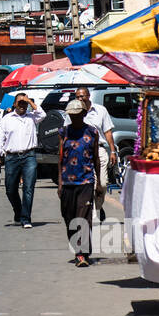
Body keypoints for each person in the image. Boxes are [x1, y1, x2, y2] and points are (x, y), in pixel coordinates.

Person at [0, 93, 48, 227]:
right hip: (12, 157)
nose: (22, 105)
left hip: (29, 156)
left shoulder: (32, 118)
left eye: (24, 103)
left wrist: (29, 101)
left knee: (28, 188)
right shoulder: (7, 119)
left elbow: (43, 115)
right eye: (20, 102)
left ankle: (26, 218)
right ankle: (18, 211)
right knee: (10, 189)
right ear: (14, 104)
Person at [58, 99, 101, 267]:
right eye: (71, 116)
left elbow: (96, 158)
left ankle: (81, 254)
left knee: (83, 218)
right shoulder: (63, 132)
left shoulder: (92, 132)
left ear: (84, 114)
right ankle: (78, 248)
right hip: (68, 182)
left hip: (86, 181)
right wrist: (60, 184)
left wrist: (98, 182)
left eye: (77, 115)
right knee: (69, 218)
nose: (74, 118)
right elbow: (60, 158)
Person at [75, 88, 116, 221]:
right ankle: (92, 213)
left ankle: (98, 206)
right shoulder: (72, 110)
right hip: (81, 151)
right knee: (88, 184)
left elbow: (108, 132)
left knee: (102, 183)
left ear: (88, 96)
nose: (80, 99)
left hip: (99, 150)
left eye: (82, 96)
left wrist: (113, 151)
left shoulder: (100, 110)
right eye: (77, 97)